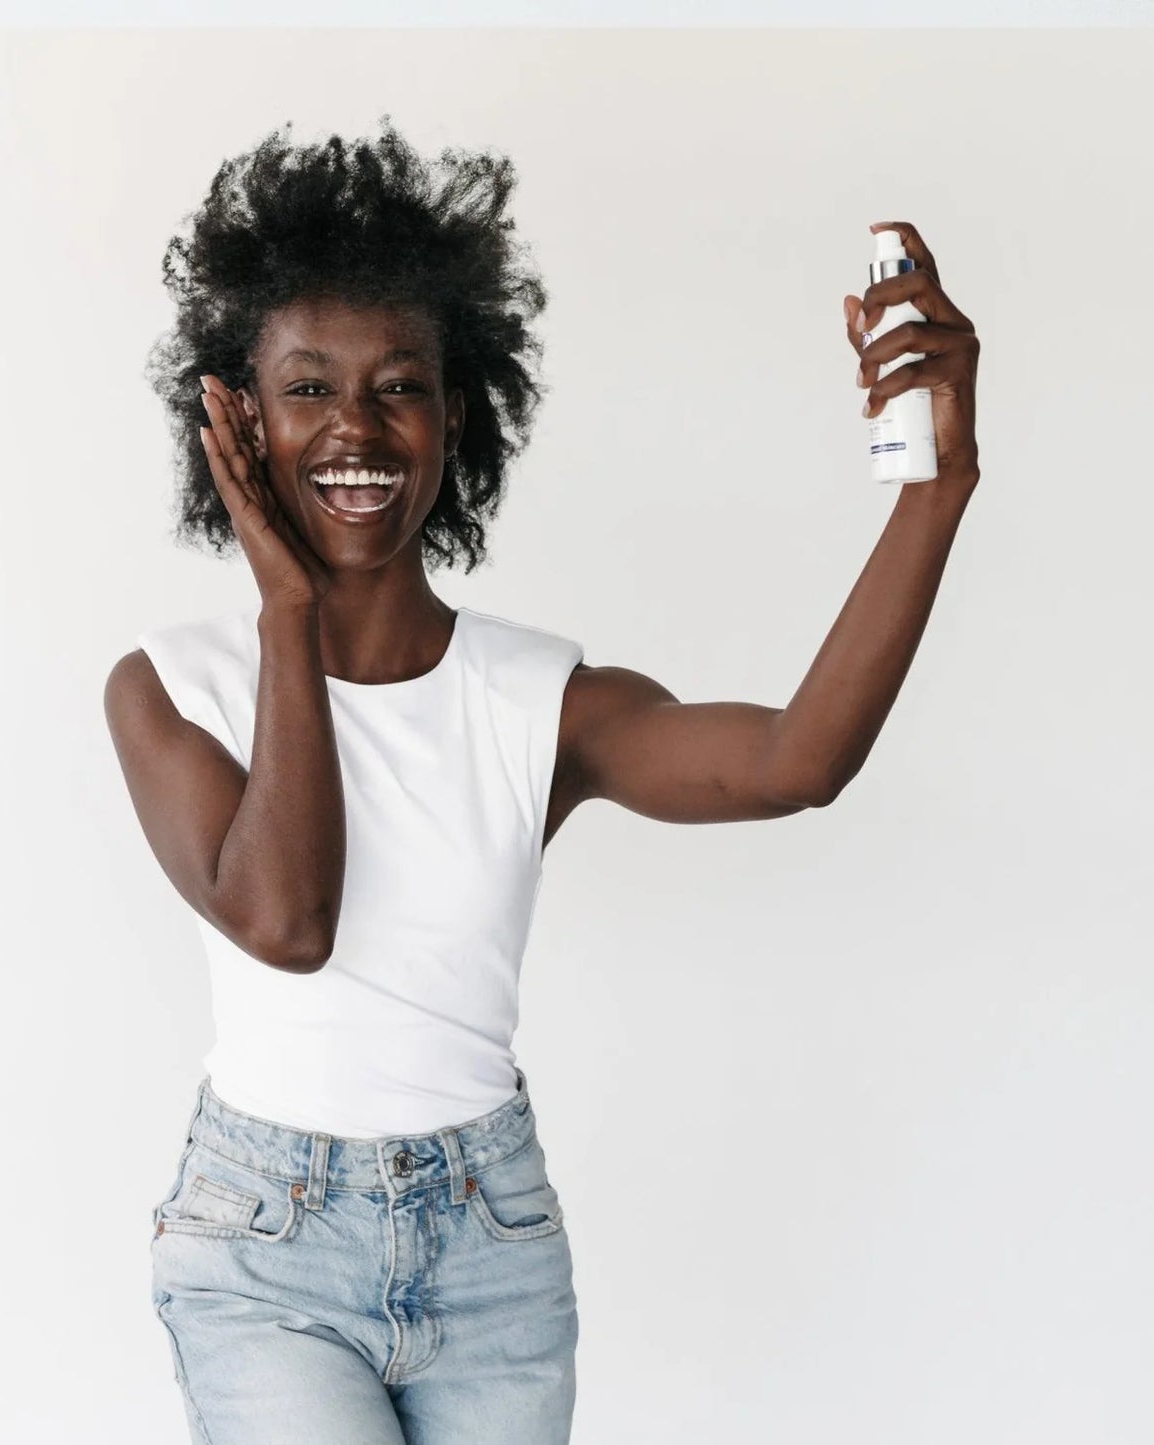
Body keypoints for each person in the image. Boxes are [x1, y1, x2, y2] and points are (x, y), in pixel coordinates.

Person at [103, 117, 981, 1445]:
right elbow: (287, 919)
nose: (355, 424)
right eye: (306, 387)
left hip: (489, 1246)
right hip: (261, 1252)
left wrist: (937, 488)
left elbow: (794, 760)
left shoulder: (535, 700)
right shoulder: (171, 687)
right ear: (237, 414)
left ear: (457, 412)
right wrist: (288, 609)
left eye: (399, 384)